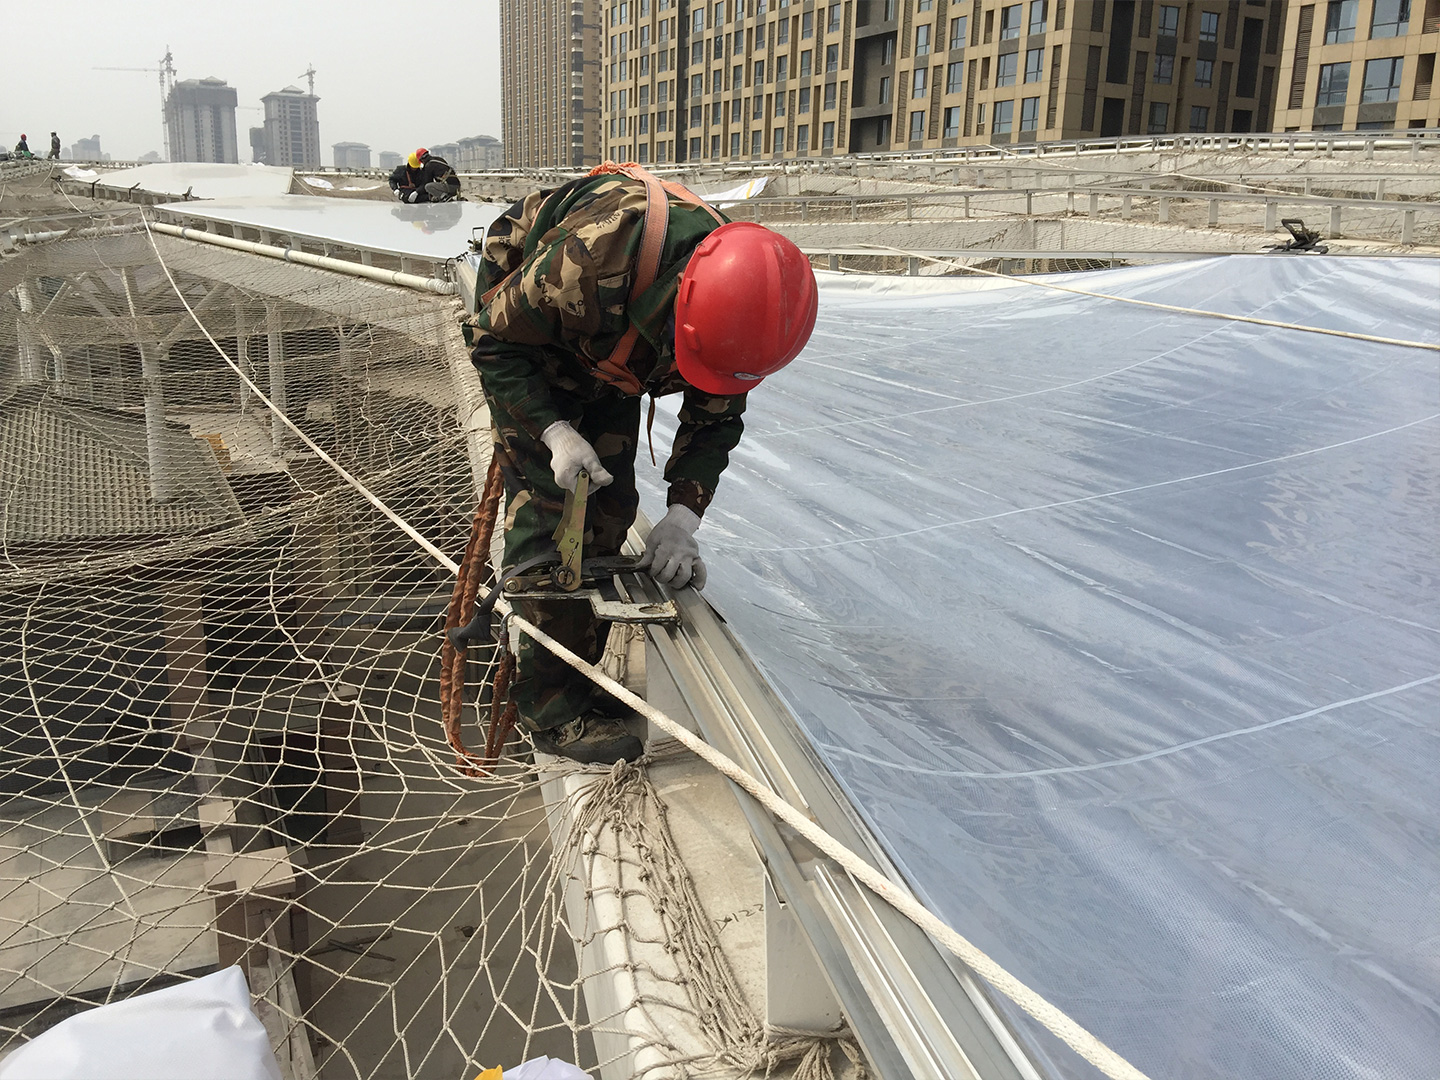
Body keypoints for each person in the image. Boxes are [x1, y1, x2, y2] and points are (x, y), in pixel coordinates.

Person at [464, 164, 818, 764]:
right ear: (679, 313)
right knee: (555, 517)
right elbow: (493, 341)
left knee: (612, 506)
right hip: (533, 337)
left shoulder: (743, 306)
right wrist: (555, 432)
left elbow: (715, 420)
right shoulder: (589, 263)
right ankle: (550, 711)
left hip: (614, 341)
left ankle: (578, 674)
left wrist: (683, 518)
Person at [388, 147, 460, 203]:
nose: (415, 169)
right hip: (456, 186)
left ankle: (445, 197)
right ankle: (444, 196)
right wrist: (395, 189)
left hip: (449, 187)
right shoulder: (439, 159)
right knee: (408, 198)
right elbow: (392, 179)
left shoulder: (427, 167)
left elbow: (426, 183)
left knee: (428, 187)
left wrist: (416, 192)